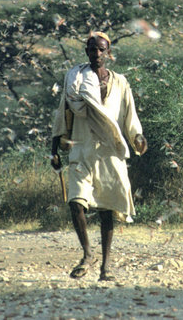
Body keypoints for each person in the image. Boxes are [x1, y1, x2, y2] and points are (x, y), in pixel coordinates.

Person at [50, 32, 147, 281]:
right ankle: (87, 254)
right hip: (81, 149)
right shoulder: (75, 80)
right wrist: (54, 151)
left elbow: (129, 116)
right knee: (76, 202)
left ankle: (106, 267)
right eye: (92, 50)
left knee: (106, 210)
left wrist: (137, 137)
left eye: (101, 50)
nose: (97, 54)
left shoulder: (121, 82)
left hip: (109, 152)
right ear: (87, 51)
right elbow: (63, 113)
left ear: (108, 52)